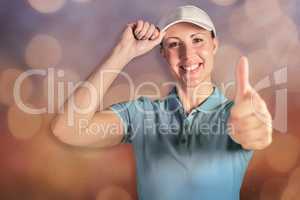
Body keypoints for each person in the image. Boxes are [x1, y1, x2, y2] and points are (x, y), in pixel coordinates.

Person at [51, 5, 272, 200]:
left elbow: (256, 131)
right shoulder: (141, 114)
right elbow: (67, 130)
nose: (188, 54)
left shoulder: (235, 115)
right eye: (175, 44)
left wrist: (256, 127)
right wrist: (122, 53)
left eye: (197, 40)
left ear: (214, 44)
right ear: (164, 54)